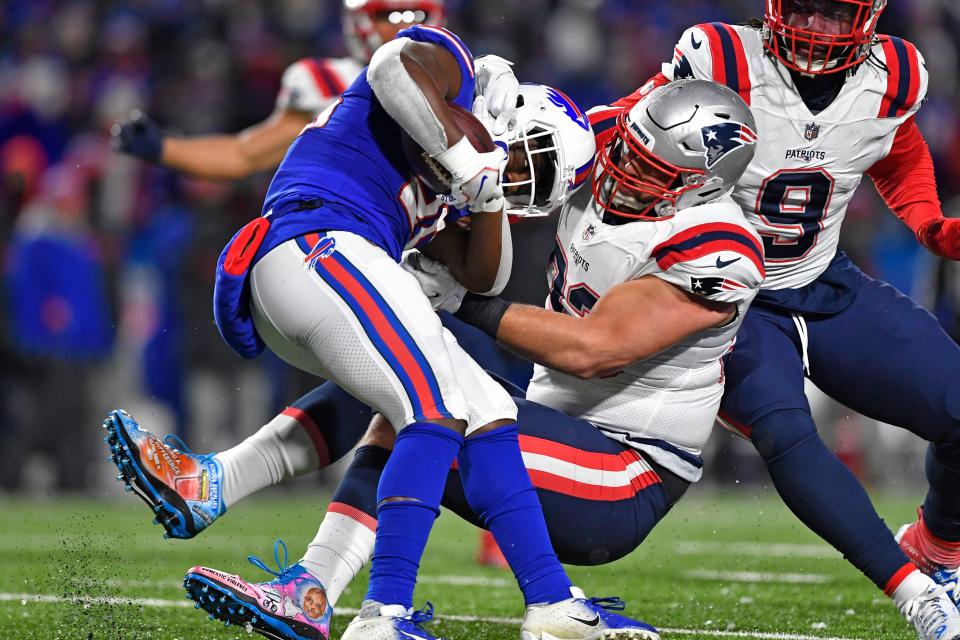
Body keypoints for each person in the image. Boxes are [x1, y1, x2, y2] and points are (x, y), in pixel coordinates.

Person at [107, 77, 763, 639]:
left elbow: (594, 351)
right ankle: (300, 580)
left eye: (651, 170)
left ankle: (390, 598)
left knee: (430, 394)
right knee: (406, 378)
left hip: (620, 475)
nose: (625, 167)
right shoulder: (602, 142)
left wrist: (459, 301)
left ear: (697, 190)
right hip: (553, 430)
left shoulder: (721, 244)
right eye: (629, 146)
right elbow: (536, 145)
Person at [593, 1, 960, 638]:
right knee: (786, 431)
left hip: (822, 280)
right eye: (803, 10)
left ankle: (939, 549)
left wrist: (925, 218)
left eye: (833, 15)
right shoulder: (725, 58)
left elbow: (893, 142)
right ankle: (914, 595)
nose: (815, 30)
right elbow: (631, 122)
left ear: (868, 19)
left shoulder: (896, 74)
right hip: (720, 295)